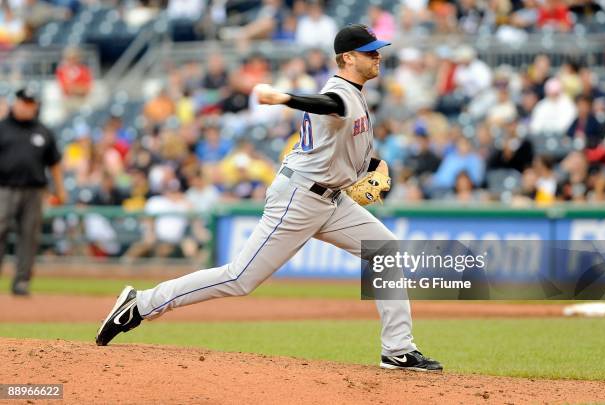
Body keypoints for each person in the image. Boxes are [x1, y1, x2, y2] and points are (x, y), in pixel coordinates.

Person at [95, 24, 442, 372]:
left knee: (386, 251)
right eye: (370, 51)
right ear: (348, 58)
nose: (378, 55)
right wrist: (284, 97)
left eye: (377, 49)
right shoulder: (339, 93)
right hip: (300, 198)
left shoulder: (356, 94)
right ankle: (139, 305)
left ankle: (397, 350)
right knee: (239, 278)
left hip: (331, 200)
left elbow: (344, 146)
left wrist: (378, 165)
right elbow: (326, 104)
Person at [0, 86, 66, 295]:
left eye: (32, 103)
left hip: (35, 191)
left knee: (29, 236)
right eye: (25, 102)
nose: (28, 107)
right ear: (16, 102)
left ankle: (22, 282)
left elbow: (54, 163)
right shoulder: (2, 128)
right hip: (4, 189)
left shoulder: (43, 131)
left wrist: (60, 189)